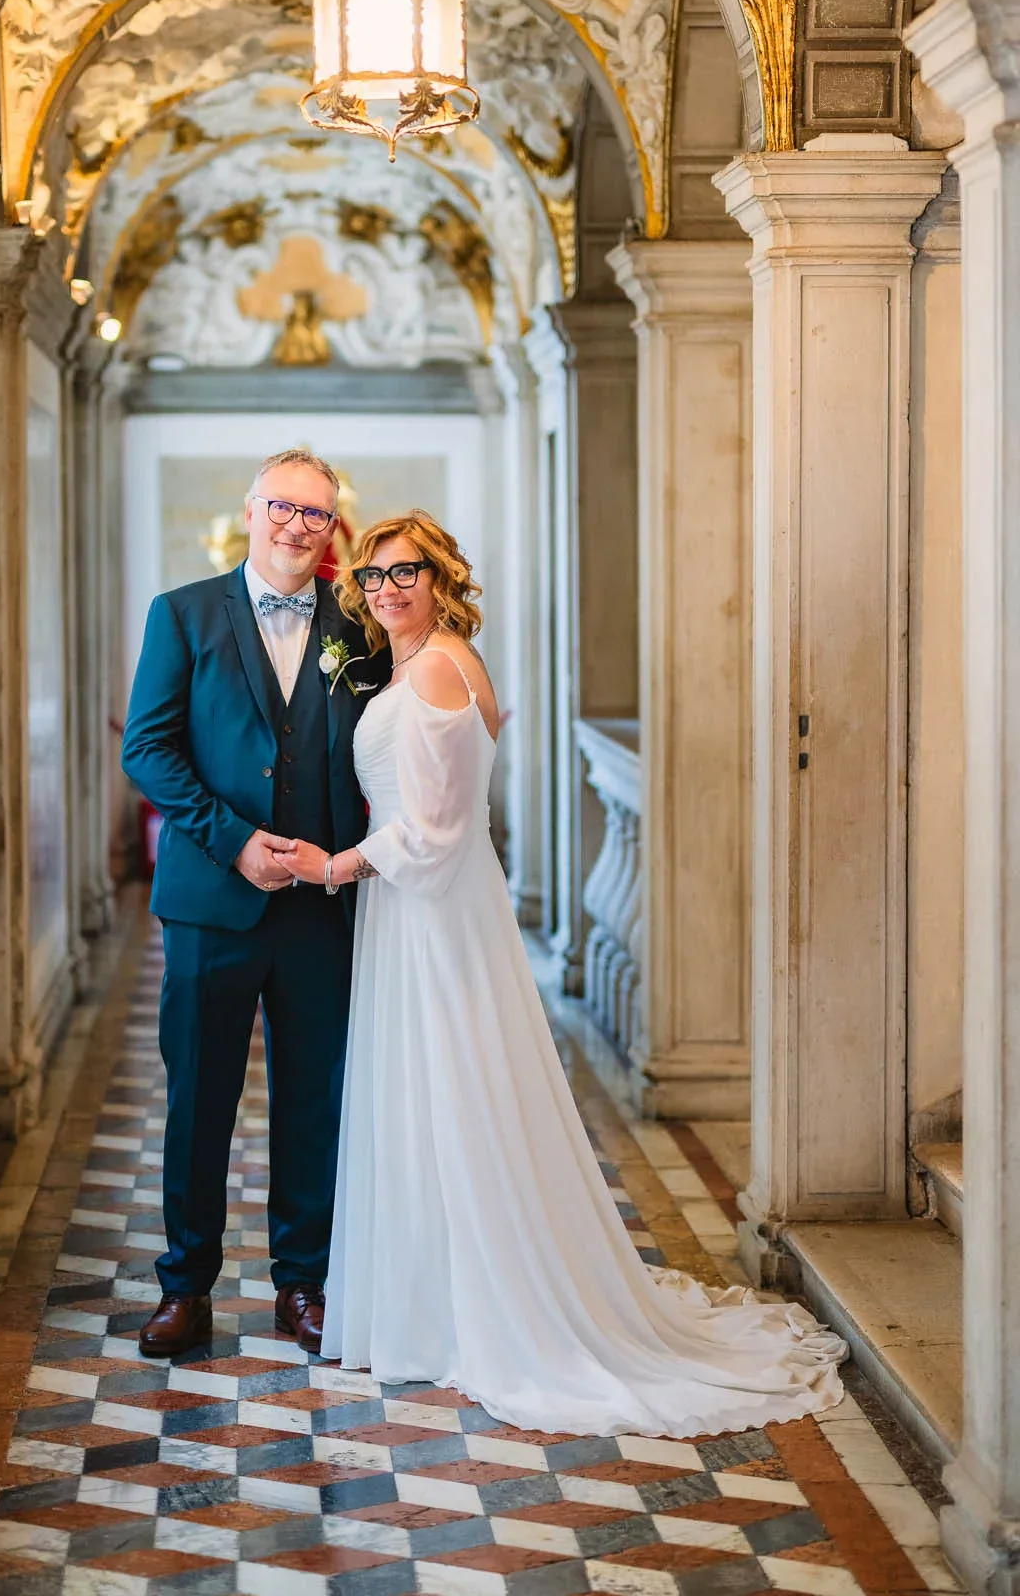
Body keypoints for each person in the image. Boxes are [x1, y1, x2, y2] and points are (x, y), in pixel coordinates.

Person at [271, 510, 846, 1436]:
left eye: (404, 572)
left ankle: (484, 1309)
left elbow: (436, 832)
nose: (386, 589)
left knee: (454, 1094)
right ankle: (432, 1297)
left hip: (436, 914)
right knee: (422, 1098)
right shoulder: (412, 663)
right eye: (374, 578)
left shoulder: (444, 668)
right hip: (411, 911)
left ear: (441, 575)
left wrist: (329, 866)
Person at [122, 449, 387, 1359]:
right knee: (198, 1098)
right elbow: (148, 752)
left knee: (314, 1098)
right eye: (284, 506)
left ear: (332, 527)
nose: (298, 525)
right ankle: (185, 1288)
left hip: (320, 905)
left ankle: (302, 1285)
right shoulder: (184, 614)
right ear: (251, 510)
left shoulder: (361, 625)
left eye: (317, 513)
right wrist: (234, 842)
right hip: (210, 903)